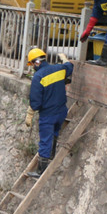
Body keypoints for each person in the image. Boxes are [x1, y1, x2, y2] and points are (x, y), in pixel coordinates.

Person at [25, 48, 73, 178]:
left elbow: (35, 102)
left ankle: (40, 170)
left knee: (45, 140)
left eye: (32, 64)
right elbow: (69, 67)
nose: (32, 67)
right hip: (62, 111)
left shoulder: (38, 77)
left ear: (36, 63)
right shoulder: (59, 69)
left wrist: (30, 114)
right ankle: (52, 154)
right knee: (55, 133)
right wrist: (65, 60)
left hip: (48, 115)